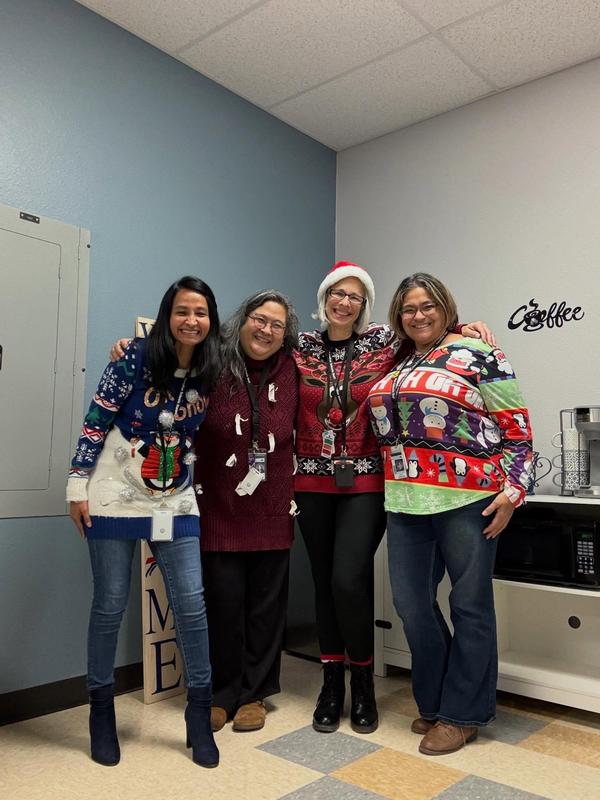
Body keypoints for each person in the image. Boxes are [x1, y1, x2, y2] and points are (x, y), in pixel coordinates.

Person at [293, 261, 493, 735]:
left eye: (355, 296)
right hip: (311, 482)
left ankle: (363, 684)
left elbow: (429, 334)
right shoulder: (298, 346)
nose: (345, 302)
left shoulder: (383, 343)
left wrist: (466, 327)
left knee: (348, 580)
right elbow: (249, 354)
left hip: (369, 482)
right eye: (337, 294)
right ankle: (332, 684)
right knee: (325, 583)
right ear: (323, 299)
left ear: (365, 305)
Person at [367, 272, 533, 755]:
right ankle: (436, 700)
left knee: (469, 604)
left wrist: (514, 489)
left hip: (469, 499)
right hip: (404, 501)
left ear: (445, 307)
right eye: (408, 309)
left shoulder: (478, 352)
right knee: (412, 605)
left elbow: (516, 427)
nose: (418, 315)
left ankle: (462, 714)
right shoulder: (396, 358)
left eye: (427, 306)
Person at [67, 276, 222, 768]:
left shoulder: (213, 366)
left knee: (192, 606)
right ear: (166, 315)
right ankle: (101, 713)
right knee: (110, 603)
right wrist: (76, 485)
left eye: (201, 312)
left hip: (173, 498)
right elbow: (96, 419)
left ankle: (199, 716)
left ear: (211, 320)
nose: (191, 321)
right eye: (182, 311)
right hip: (112, 492)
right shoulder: (133, 355)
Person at [194, 291, 298, 733]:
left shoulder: (297, 367)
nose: (266, 329)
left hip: (273, 507)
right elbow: (165, 349)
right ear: (243, 321)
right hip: (219, 507)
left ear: (285, 334)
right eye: (260, 319)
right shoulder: (211, 361)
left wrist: (461, 330)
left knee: (265, 608)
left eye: (276, 324)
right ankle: (223, 693)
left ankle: (255, 694)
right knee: (223, 604)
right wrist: (127, 346)